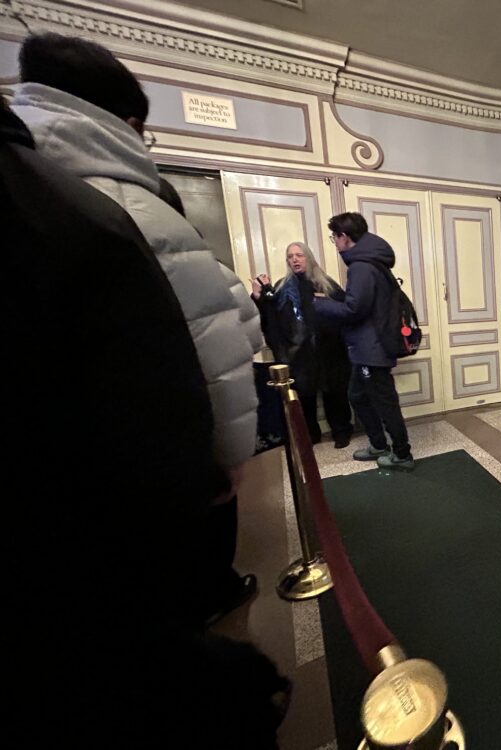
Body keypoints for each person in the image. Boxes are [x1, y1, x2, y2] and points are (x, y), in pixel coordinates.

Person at [2, 100, 289, 748]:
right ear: (130, 125)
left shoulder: (62, 200)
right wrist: (229, 451)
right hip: (147, 467)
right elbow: (230, 341)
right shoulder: (94, 209)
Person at [13, 33, 261, 623]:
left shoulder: (25, 179)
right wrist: (230, 453)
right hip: (151, 448)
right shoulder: (134, 204)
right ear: (126, 123)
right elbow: (215, 339)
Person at [316, 212, 414, 470]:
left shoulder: (361, 266)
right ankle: (379, 444)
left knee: (384, 402)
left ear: (344, 237)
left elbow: (354, 310)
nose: (335, 243)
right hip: (366, 346)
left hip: (372, 348)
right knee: (357, 395)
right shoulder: (369, 261)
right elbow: (361, 304)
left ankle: (402, 454)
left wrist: (320, 304)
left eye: (334, 237)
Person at [252, 242, 353, 447]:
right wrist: (258, 298)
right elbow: (270, 318)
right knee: (304, 397)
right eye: (290, 256)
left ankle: (341, 431)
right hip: (298, 353)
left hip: (329, 351)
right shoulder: (282, 288)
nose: (295, 260)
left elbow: (344, 312)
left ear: (308, 257)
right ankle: (310, 435)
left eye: (299, 255)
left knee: (335, 393)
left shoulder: (326, 284)